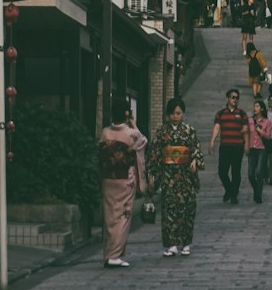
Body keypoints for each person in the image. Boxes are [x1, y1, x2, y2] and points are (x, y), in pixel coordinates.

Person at [147, 96, 204, 256]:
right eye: (172, 114)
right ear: (168, 115)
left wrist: (194, 160)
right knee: (169, 210)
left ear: (183, 114)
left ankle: (186, 243)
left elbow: (196, 149)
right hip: (168, 176)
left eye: (178, 113)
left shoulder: (189, 131)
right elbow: (154, 153)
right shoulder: (162, 132)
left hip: (186, 176)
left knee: (187, 209)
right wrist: (152, 173)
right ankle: (171, 244)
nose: (175, 116)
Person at [97, 95, 147, 267]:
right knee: (123, 216)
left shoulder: (105, 132)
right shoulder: (131, 134)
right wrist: (133, 124)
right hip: (125, 179)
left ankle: (108, 253)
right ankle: (114, 255)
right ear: (127, 113)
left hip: (108, 178)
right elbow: (143, 141)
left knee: (110, 215)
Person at [209, 87, 250, 205]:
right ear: (227, 99)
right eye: (232, 97)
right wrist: (212, 141)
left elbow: (246, 130)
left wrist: (247, 144)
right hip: (225, 146)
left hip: (237, 146)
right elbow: (217, 128)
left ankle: (234, 195)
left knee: (236, 171)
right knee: (222, 171)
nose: (235, 100)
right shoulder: (220, 113)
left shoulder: (242, 114)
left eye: (237, 98)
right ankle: (229, 189)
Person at [247, 99, 272, 204]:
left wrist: (260, 131)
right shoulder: (249, 120)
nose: (255, 108)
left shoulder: (267, 122)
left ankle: (258, 194)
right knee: (250, 174)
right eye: (254, 106)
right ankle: (256, 190)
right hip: (252, 148)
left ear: (262, 108)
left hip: (262, 149)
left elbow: (268, 136)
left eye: (257, 106)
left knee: (259, 172)